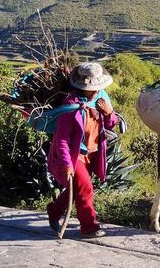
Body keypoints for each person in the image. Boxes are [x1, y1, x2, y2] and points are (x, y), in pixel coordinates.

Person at [47, 62, 119, 238]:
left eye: (98, 87)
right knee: (85, 188)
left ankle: (54, 211)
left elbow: (111, 125)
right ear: (81, 86)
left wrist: (109, 113)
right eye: (91, 88)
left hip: (93, 154)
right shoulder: (70, 105)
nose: (96, 91)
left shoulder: (102, 98)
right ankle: (89, 227)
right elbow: (62, 138)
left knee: (78, 188)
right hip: (74, 155)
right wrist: (66, 164)